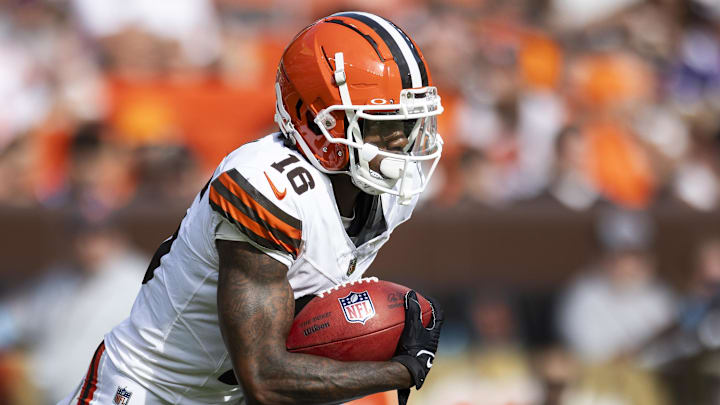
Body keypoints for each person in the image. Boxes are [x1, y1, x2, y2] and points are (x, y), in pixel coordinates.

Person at [59, 11, 444, 405]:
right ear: (318, 120)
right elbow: (264, 379)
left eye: (408, 124)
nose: (400, 142)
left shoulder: (387, 190)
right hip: (150, 391)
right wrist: (402, 369)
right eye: (382, 125)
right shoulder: (267, 185)